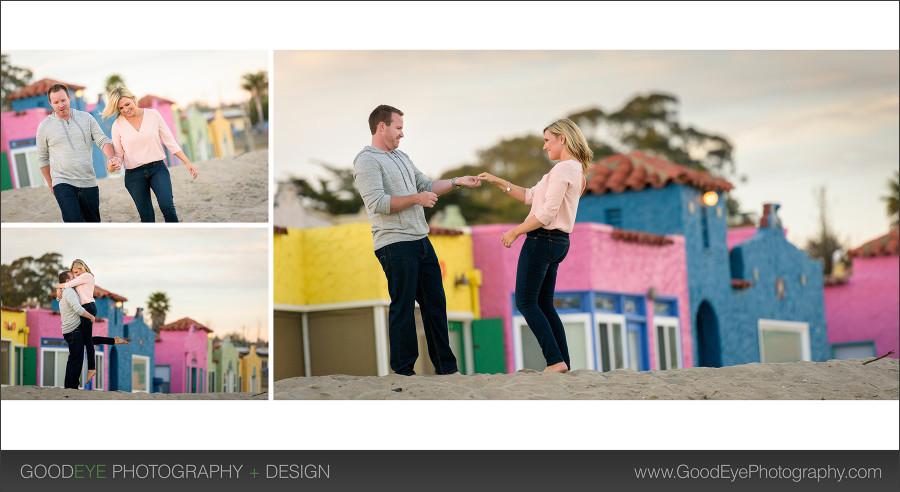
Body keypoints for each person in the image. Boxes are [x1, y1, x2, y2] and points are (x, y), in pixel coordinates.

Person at [353, 104, 480, 376]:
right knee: (403, 306)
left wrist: (458, 181)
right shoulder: (366, 161)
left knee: (436, 305)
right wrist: (416, 200)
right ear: (382, 126)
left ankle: (447, 369)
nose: (402, 134)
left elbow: (426, 185)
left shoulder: (401, 157)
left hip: (421, 241)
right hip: (394, 244)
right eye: (398, 128)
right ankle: (403, 372)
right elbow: (377, 203)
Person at [478, 118, 593, 373]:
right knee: (544, 304)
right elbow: (530, 196)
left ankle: (554, 361)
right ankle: (563, 362)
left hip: (542, 240)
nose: (544, 147)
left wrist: (516, 231)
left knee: (526, 302)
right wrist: (498, 181)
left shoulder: (563, 170)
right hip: (560, 243)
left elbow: (548, 212)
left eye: (547, 141)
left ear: (562, 138)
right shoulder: (577, 172)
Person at [103, 87, 198, 222]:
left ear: (132, 99)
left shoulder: (153, 115)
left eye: (127, 104)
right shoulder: (117, 125)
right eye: (120, 108)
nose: (125, 110)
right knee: (147, 217)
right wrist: (112, 165)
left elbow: (170, 141)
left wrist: (187, 162)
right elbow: (118, 155)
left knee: (167, 207)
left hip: (157, 169)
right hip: (134, 175)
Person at [36, 84, 121, 222]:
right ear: (50, 103)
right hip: (62, 182)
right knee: (74, 222)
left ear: (69, 98)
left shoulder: (86, 118)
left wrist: (111, 157)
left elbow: (102, 140)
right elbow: (43, 159)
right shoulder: (44, 127)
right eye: (56, 102)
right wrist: (52, 185)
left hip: (88, 181)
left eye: (63, 100)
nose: (60, 105)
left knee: (93, 223)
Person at [56, 270, 129, 389]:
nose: (75, 278)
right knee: (75, 360)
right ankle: (70, 387)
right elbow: (78, 309)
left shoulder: (67, 291)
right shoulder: (69, 291)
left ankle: (113, 341)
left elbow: (63, 297)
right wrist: (90, 316)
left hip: (73, 330)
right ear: (68, 281)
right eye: (72, 277)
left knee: (86, 343)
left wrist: (58, 289)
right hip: (72, 330)